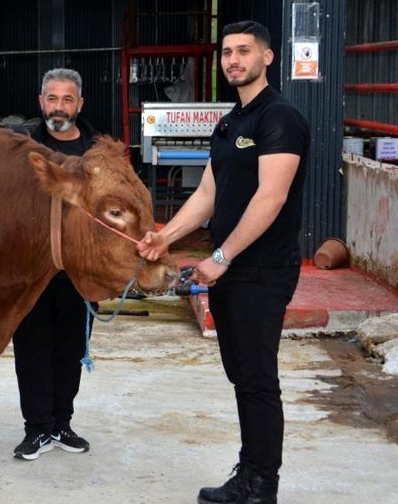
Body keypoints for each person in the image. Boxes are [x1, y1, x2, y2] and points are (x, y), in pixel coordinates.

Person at [137, 21, 310, 504]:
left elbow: (271, 198)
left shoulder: (280, 119)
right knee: (242, 374)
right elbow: (209, 194)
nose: (233, 60)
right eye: (227, 53)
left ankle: (261, 485)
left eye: (243, 51)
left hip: (263, 269)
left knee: (256, 378)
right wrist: (163, 237)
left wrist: (220, 256)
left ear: (267, 58)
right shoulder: (230, 121)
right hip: (235, 270)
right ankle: (251, 473)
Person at [12, 68, 100, 461]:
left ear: (79, 104)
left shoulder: (100, 151)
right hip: (32, 270)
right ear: (40, 102)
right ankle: (37, 429)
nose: (59, 106)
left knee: (71, 349)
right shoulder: (23, 148)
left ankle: (62, 423)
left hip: (81, 272)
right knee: (31, 348)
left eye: (67, 99)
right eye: (52, 98)